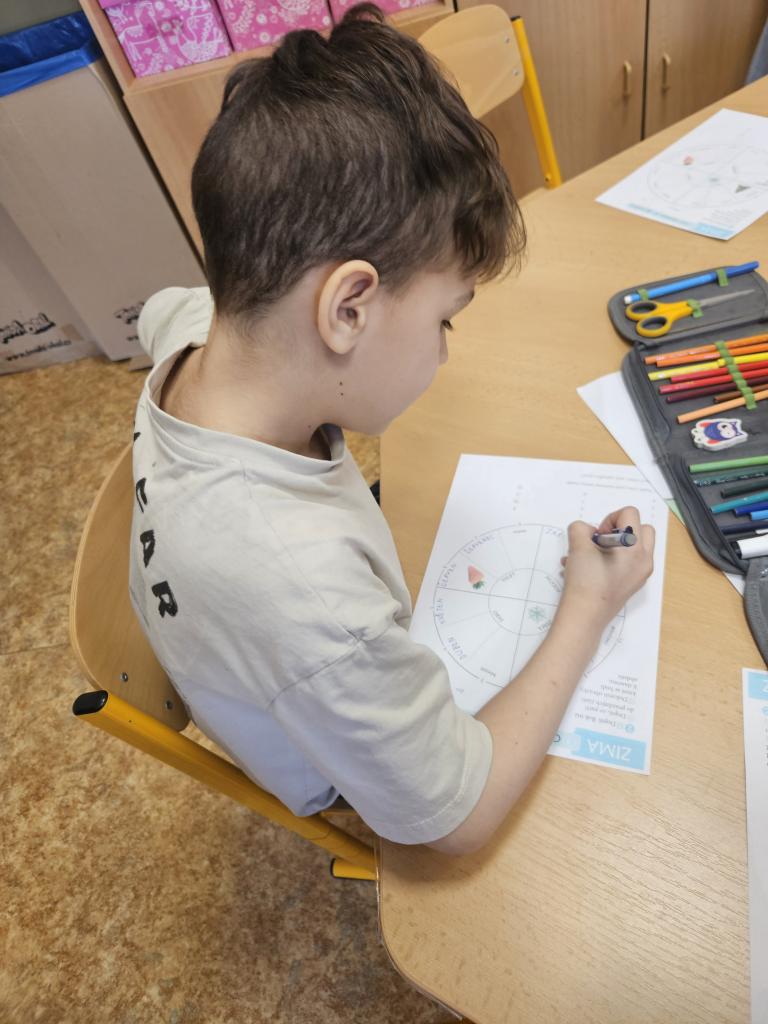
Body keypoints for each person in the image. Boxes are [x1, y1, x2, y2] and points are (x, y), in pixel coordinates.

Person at [129, 2, 655, 855]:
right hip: (342, 760)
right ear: (348, 308)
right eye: (445, 319)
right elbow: (459, 818)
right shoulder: (305, 591)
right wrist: (589, 606)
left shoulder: (209, 331)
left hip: (265, 647)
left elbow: (162, 308)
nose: (445, 351)